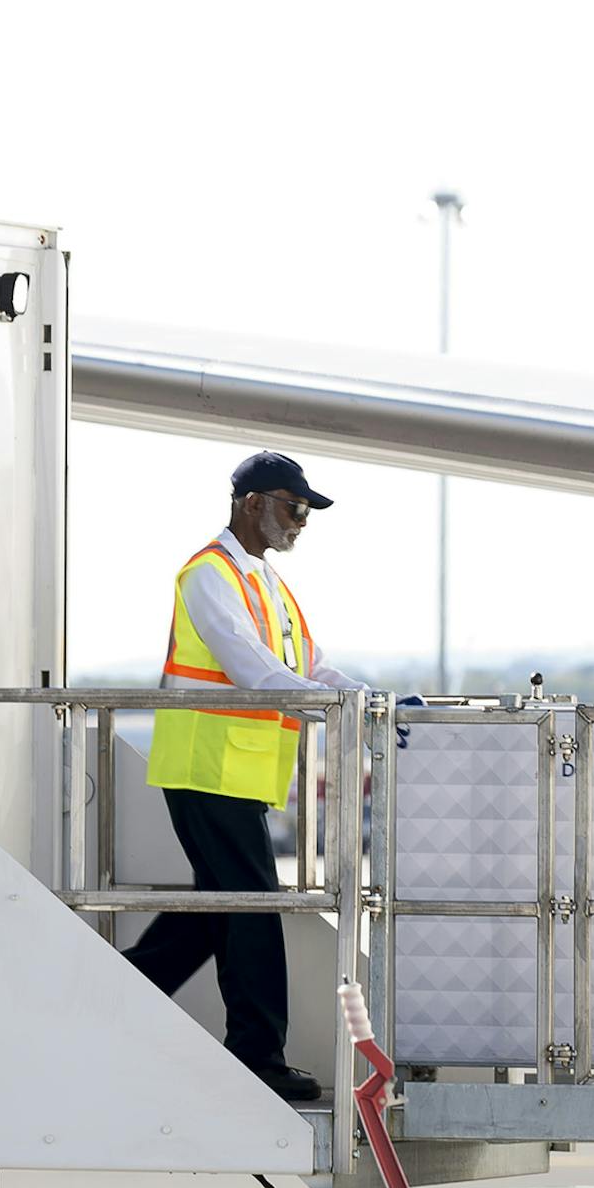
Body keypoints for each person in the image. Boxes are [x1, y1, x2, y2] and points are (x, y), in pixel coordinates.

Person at [124, 451, 364, 1103]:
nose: (302, 522)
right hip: (206, 768)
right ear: (251, 503)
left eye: (307, 511)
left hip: (239, 775)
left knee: (214, 911)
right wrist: (332, 707)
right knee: (253, 907)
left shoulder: (269, 584)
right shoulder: (208, 575)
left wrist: (370, 699)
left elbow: (312, 666)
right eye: (295, 507)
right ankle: (257, 1055)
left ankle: (110, 1002)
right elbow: (254, 670)